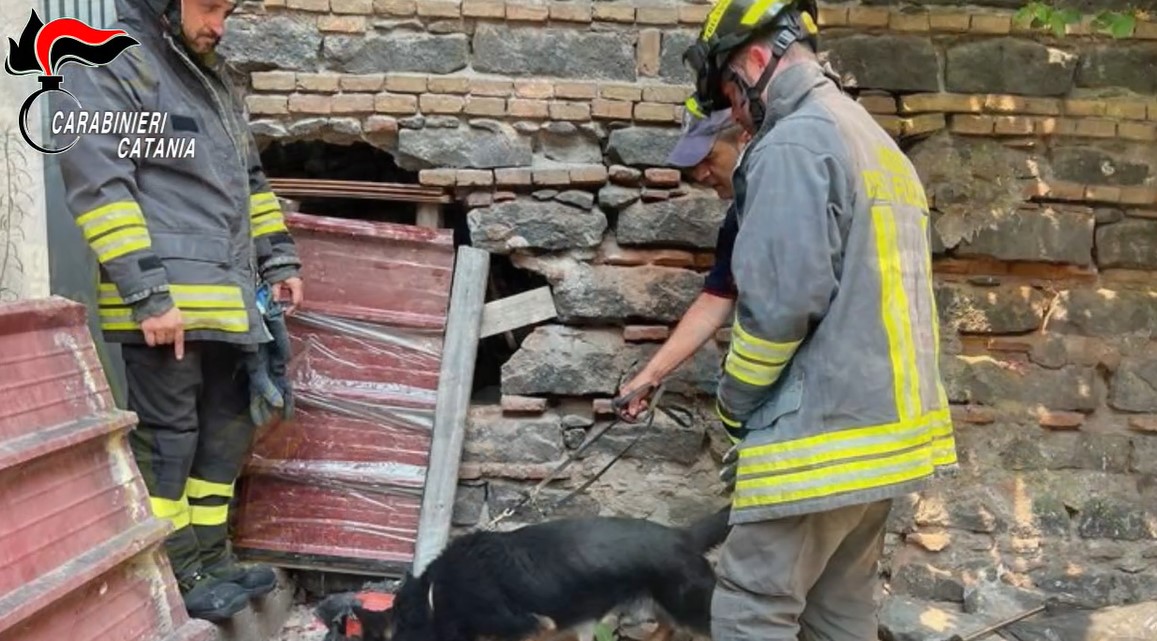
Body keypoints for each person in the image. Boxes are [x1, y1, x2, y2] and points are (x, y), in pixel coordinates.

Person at [680, 1, 959, 640]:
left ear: (756, 59)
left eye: (730, 91)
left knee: (752, 607)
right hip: (882, 445)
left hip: (820, 440)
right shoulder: (873, 141)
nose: (735, 112)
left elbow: (780, 306)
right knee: (840, 614)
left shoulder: (794, 142)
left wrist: (734, 403)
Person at [53, 0, 302, 623]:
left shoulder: (209, 77)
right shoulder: (109, 64)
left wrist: (279, 260)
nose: (220, 26)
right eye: (210, 7)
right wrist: (148, 295)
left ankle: (213, 556)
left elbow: (249, 180)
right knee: (170, 440)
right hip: (167, 308)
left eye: (228, 11)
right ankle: (175, 566)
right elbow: (100, 186)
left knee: (225, 431)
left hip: (229, 300)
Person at [617, 108, 749, 421]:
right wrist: (649, 377)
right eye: (694, 164)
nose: (700, 174)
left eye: (709, 157)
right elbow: (715, 300)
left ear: (745, 139)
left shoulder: (794, 199)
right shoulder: (739, 219)